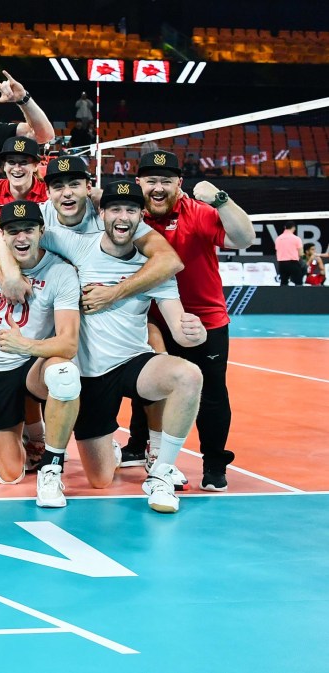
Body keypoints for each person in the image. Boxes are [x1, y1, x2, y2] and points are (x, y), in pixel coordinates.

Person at [0, 182, 205, 513]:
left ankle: (160, 475)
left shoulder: (154, 269)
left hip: (130, 363)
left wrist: (194, 332)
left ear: (140, 217)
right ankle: (54, 456)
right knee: (100, 478)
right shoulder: (75, 244)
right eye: (115, 209)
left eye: (131, 210)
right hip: (85, 376)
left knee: (188, 375)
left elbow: (181, 327)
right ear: (100, 214)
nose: (122, 217)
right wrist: (7, 274)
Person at [123, 150, 255, 491]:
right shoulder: (129, 215)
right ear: (139, 183)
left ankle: (213, 464)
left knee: (211, 393)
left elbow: (244, 239)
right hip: (149, 319)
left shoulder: (197, 213)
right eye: (151, 180)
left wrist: (222, 201)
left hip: (204, 319)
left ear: (179, 184)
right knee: (146, 386)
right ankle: (139, 446)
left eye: (166, 181)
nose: (158, 187)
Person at [0, 201, 81, 507]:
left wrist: (25, 346)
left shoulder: (60, 272)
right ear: (1, 236)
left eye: (28, 230)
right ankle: (30, 434)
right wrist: (4, 276)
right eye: (13, 232)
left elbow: (68, 344)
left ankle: (53, 464)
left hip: (33, 364)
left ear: (42, 231)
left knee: (63, 373)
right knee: (10, 473)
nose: (22, 238)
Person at [0, 136, 48, 217]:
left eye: (24, 162)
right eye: (11, 162)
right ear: (4, 166)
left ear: (35, 166)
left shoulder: (49, 194)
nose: (17, 169)